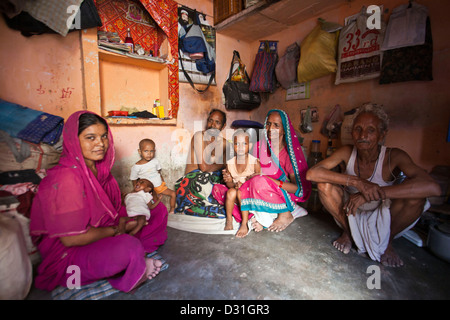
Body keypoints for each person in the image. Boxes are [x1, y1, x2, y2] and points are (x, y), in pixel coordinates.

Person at [29, 111, 168, 293]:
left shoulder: (101, 171)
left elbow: (112, 210)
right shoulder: (66, 177)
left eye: (103, 136)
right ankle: (133, 267)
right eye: (90, 137)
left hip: (101, 229)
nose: (100, 144)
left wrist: (133, 217)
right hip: (69, 253)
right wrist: (119, 229)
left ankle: (133, 257)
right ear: (73, 140)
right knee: (128, 247)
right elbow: (72, 239)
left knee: (156, 211)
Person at [306, 103, 441, 267]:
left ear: (382, 134)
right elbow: (312, 173)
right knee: (323, 186)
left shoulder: (394, 156)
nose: (363, 135)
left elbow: (433, 187)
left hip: (383, 218)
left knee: (417, 199)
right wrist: (358, 182)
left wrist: (374, 192)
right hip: (351, 213)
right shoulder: (347, 151)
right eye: (358, 129)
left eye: (371, 130)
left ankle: (387, 242)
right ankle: (349, 233)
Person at [214, 109, 311, 232]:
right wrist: (232, 179)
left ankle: (284, 213)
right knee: (224, 191)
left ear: (284, 129)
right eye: (268, 124)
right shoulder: (259, 146)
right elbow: (249, 171)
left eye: (276, 125)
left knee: (258, 181)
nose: (270, 129)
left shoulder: (288, 154)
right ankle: (259, 216)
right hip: (255, 188)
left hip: (278, 193)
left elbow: (297, 189)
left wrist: (270, 181)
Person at [174, 109, 229, 217]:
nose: (212, 125)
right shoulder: (199, 136)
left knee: (227, 187)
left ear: (223, 126)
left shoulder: (224, 144)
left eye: (217, 122)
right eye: (210, 120)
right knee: (204, 184)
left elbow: (229, 164)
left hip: (210, 180)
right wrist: (222, 163)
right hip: (193, 180)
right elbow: (203, 168)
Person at [224, 129, 261, 237]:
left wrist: (247, 184)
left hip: (250, 195)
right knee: (230, 192)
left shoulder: (254, 162)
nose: (240, 147)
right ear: (233, 146)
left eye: (244, 143)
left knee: (241, 192)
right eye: (236, 144)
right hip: (236, 193)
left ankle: (244, 223)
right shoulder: (230, 163)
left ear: (249, 146)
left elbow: (260, 182)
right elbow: (229, 185)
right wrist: (232, 183)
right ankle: (229, 220)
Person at [130, 138, 176, 213]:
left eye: (151, 151)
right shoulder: (136, 167)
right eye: (146, 151)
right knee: (152, 203)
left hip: (159, 186)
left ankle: (172, 210)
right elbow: (134, 180)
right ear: (140, 151)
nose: (149, 153)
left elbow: (158, 172)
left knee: (173, 193)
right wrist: (137, 191)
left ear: (154, 151)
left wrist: (162, 182)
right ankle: (151, 215)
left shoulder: (155, 161)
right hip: (147, 189)